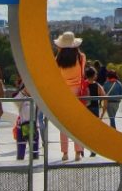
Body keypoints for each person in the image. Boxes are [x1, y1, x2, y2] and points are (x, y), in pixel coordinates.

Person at [54, 31, 86, 161]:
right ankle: (78, 152)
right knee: (77, 124)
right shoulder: (81, 57)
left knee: (64, 125)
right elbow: (82, 73)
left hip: (63, 92)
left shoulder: (58, 58)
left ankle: (65, 153)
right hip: (77, 92)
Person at [13, 79, 41, 160]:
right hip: (22, 127)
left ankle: (33, 167)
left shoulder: (36, 98)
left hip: (33, 127)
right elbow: (15, 102)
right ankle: (21, 167)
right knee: (21, 152)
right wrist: (23, 92)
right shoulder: (22, 96)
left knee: (34, 152)